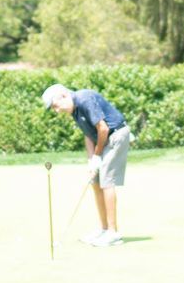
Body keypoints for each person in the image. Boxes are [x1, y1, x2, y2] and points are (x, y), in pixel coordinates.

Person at [41, 83, 133, 246]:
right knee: (95, 181)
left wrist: (97, 156)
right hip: (104, 141)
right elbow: (88, 135)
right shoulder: (75, 111)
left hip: (116, 135)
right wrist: (91, 161)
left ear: (63, 96)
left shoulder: (84, 99)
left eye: (56, 106)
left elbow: (103, 129)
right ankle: (104, 229)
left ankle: (113, 233)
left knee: (107, 180)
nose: (57, 111)